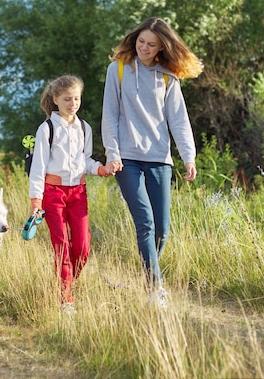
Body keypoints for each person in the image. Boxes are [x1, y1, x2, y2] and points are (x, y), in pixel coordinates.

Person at [101, 17, 203, 309]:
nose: (143, 47)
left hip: (159, 157)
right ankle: (155, 288)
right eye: (141, 41)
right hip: (127, 159)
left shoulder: (167, 76)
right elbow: (111, 115)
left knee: (162, 229)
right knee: (144, 221)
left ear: (161, 48)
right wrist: (112, 152)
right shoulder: (118, 69)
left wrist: (189, 155)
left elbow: (178, 119)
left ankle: (148, 271)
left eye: (151, 44)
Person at [29, 74, 114, 315]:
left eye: (76, 98)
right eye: (67, 99)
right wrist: (36, 201)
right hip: (52, 194)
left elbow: (84, 161)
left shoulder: (84, 128)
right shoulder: (46, 129)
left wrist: (100, 169)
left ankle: (66, 281)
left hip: (78, 192)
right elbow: (38, 168)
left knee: (83, 247)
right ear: (55, 99)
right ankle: (66, 299)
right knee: (62, 247)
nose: (73, 103)